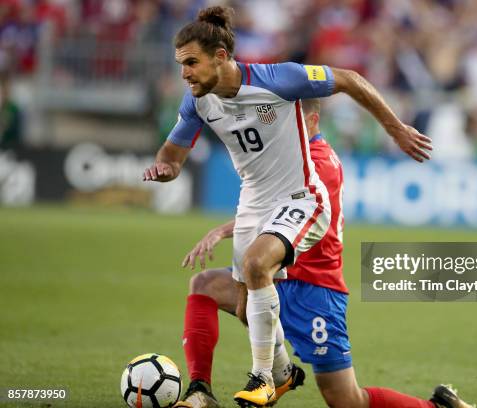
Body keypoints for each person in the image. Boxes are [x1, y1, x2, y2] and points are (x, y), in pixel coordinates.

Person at [143, 6, 432, 407]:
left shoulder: (283, 86)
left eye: (191, 63)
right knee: (233, 300)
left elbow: (348, 79)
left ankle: (264, 377)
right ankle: (251, 379)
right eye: (181, 65)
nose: (185, 73)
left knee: (259, 267)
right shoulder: (198, 102)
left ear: (221, 57)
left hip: (307, 239)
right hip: (257, 211)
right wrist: (166, 169)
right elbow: (172, 155)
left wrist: (396, 129)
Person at [175, 98, 474, 408]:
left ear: (314, 120)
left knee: (345, 400)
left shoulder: (320, 163)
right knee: (205, 286)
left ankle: (438, 407)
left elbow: (281, 214)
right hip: (277, 276)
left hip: (314, 290)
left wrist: (223, 231)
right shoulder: (291, 157)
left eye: (293, 123)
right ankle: (202, 390)